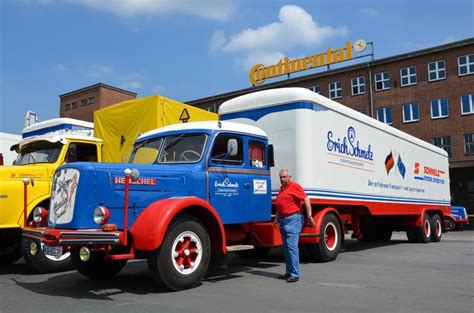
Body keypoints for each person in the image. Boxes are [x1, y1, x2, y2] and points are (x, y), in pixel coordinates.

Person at [274, 169, 315, 283]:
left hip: (293, 219)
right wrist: (276, 219)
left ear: (289, 177)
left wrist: (309, 216)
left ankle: (294, 274)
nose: (282, 179)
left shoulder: (295, 186)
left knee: (292, 248)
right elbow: (279, 206)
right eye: (281, 177)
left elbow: (306, 199)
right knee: (286, 248)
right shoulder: (282, 190)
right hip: (283, 220)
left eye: (284, 177)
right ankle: (288, 272)